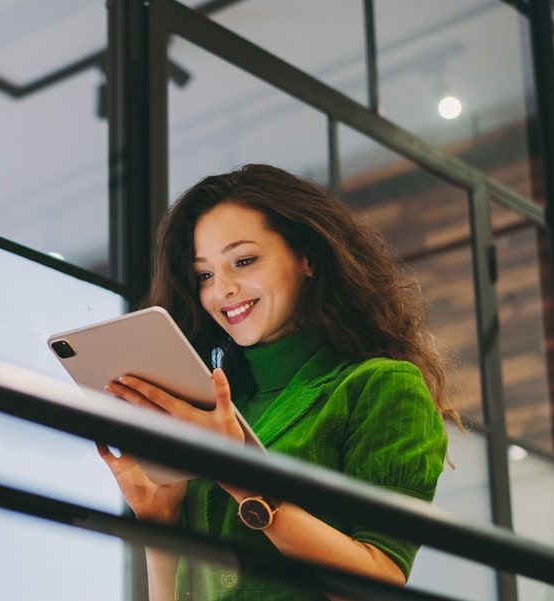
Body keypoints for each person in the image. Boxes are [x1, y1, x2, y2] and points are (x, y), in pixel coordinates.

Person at [96, 163, 459, 600]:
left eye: (244, 261)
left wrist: (243, 481)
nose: (222, 290)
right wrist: (159, 521)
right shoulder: (212, 408)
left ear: (307, 257)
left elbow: (378, 582)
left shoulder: (380, 386)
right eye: (204, 275)